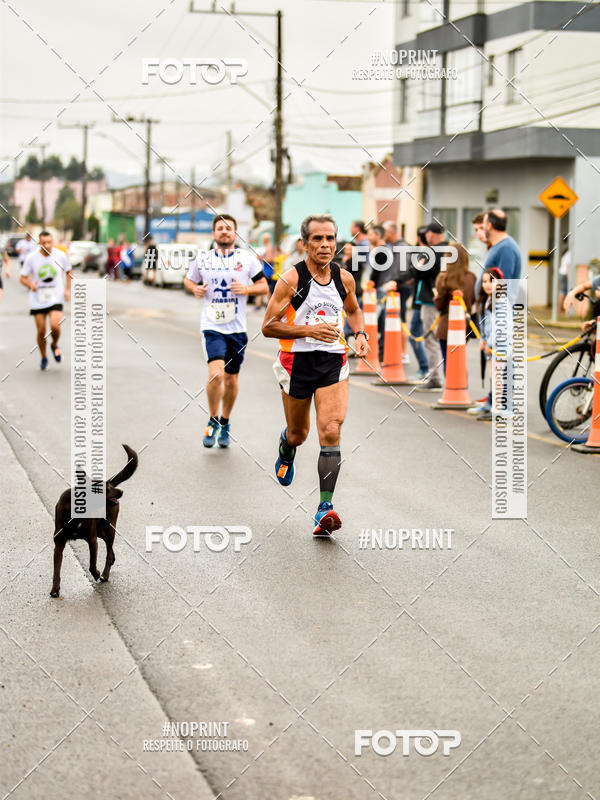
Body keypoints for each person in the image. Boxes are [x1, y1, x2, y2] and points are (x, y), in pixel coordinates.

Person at [262, 214, 369, 537]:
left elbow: (352, 309)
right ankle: (286, 447)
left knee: (332, 430)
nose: (325, 245)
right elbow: (268, 326)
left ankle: (324, 508)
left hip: (333, 362)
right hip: (296, 363)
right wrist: (309, 329)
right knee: (299, 433)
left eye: (330, 239)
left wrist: (360, 333)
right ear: (305, 243)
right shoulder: (291, 279)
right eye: (318, 239)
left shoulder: (344, 279)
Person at [183, 214, 269, 448]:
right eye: (220, 228)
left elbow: (264, 286)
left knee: (231, 380)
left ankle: (225, 422)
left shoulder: (247, 259)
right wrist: (195, 289)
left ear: (235, 234)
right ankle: (212, 419)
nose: (224, 231)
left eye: (228, 228)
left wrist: (247, 289)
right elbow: (188, 280)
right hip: (212, 326)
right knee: (216, 374)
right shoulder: (203, 259)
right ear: (213, 234)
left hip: (237, 329)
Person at [19, 230, 72, 370]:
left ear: (53, 242)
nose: (47, 245)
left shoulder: (60, 255)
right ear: (39, 243)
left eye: (49, 242)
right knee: (41, 330)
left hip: (56, 297)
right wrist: (30, 285)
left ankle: (54, 344)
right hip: (38, 298)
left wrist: (67, 290)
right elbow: (22, 277)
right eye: (44, 243)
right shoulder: (31, 258)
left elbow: (69, 272)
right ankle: (43, 356)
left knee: (55, 326)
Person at [467, 266, 508, 420]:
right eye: (484, 281)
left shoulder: (502, 302)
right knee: (494, 376)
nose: (487, 284)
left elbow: (501, 328)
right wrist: (483, 340)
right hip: (490, 345)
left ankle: (497, 410)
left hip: (499, 347)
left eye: (491, 281)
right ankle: (494, 407)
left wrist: (491, 344)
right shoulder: (486, 301)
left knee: (497, 377)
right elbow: (485, 324)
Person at [413, 221, 447, 391]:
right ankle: (449, 377)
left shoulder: (432, 252)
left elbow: (418, 272)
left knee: (430, 339)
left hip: (430, 300)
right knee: (445, 340)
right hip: (448, 301)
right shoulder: (452, 249)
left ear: (431, 234)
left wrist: (419, 262)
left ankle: (435, 377)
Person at [433, 243, 476, 369]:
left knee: (449, 365)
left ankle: (451, 388)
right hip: (464, 327)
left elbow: (440, 306)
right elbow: (472, 300)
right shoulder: (472, 277)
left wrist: (436, 296)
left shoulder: (444, 278)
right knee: (459, 363)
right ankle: (462, 387)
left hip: (446, 327)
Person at [383, 220, 411, 363]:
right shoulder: (394, 246)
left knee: (401, 319)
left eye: (385, 232)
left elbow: (403, 268)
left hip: (400, 287)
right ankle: (397, 351)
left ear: (392, 232)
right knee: (396, 318)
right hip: (395, 286)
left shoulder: (402, 247)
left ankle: (404, 353)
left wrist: (395, 281)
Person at [476, 209, 521, 295]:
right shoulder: (498, 246)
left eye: (483, 225)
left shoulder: (506, 248)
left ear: (489, 226)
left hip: (497, 307)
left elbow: (503, 284)